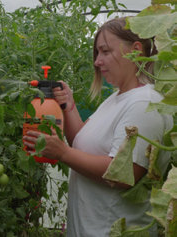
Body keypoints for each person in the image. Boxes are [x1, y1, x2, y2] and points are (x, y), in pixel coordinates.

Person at [23, 17, 173, 237]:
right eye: (97, 53)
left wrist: (63, 153)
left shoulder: (143, 104)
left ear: (136, 50)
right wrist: (69, 106)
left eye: (105, 51)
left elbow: (124, 174)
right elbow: (84, 145)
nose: (97, 61)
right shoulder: (117, 98)